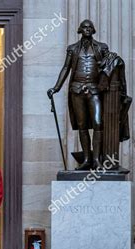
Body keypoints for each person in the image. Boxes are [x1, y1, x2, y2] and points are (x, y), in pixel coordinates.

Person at [47, 19, 109, 170]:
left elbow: (110, 67)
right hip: (77, 89)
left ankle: (97, 160)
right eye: (85, 27)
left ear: (93, 30)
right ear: (80, 30)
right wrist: (56, 87)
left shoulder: (101, 47)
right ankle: (87, 159)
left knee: (98, 123)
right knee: (82, 125)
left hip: (94, 89)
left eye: (90, 27)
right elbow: (66, 68)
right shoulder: (73, 48)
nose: (87, 29)